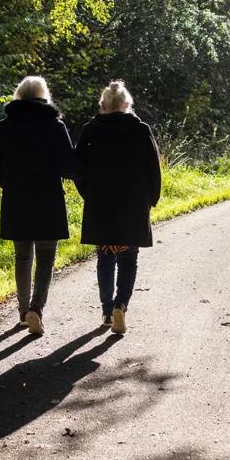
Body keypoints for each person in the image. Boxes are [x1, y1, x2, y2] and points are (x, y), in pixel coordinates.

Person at [0, 75, 78, 336]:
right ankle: (37, 309)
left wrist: (9, 182)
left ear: (19, 95)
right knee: (46, 258)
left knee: (22, 256)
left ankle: (23, 313)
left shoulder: (5, 126)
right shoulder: (54, 125)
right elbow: (69, 167)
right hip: (48, 200)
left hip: (17, 200)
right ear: (43, 96)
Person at [74, 80, 161, 335]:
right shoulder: (140, 129)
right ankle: (121, 304)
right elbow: (153, 168)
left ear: (103, 105)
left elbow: (78, 168)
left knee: (105, 257)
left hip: (100, 204)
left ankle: (106, 310)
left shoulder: (91, 130)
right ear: (126, 104)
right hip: (132, 204)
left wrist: (87, 194)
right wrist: (151, 199)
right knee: (128, 258)